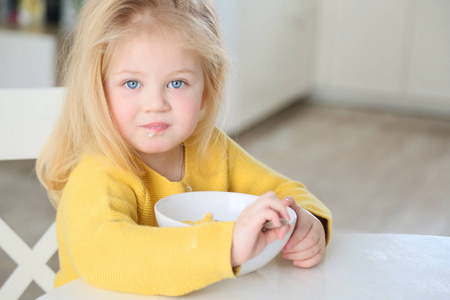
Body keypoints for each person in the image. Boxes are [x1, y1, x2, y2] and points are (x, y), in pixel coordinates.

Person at [36, 0, 332, 296]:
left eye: (177, 83)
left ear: (207, 89)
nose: (156, 105)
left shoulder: (211, 149)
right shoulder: (98, 173)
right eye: (131, 84)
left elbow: (282, 190)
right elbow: (106, 254)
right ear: (97, 91)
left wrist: (305, 220)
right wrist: (227, 245)